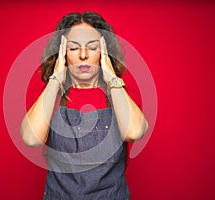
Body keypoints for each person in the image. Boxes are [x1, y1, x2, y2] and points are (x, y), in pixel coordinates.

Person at [20, 11, 148, 200]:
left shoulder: (120, 93)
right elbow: (31, 139)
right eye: (73, 48)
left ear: (104, 52)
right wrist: (55, 80)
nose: (82, 55)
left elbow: (135, 132)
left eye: (92, 47)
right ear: (62, 53)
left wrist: (112, 77)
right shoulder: (49, 96)